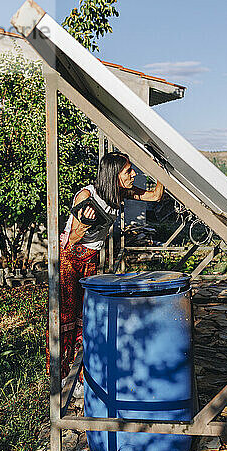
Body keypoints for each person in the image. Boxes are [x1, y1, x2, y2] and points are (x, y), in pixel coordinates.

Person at [46, 151, 164, 393]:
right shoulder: (87, 195)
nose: (133, 174)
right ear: (113, 174)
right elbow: (71, 239)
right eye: (128, 171)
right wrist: (85, 222)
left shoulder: (118, 194)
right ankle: (59, 377)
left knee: (85, 316)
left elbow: (154, 195)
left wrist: (159, 169)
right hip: (70, 258)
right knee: (66, 316)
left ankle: (79, 377)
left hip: (91, 258)